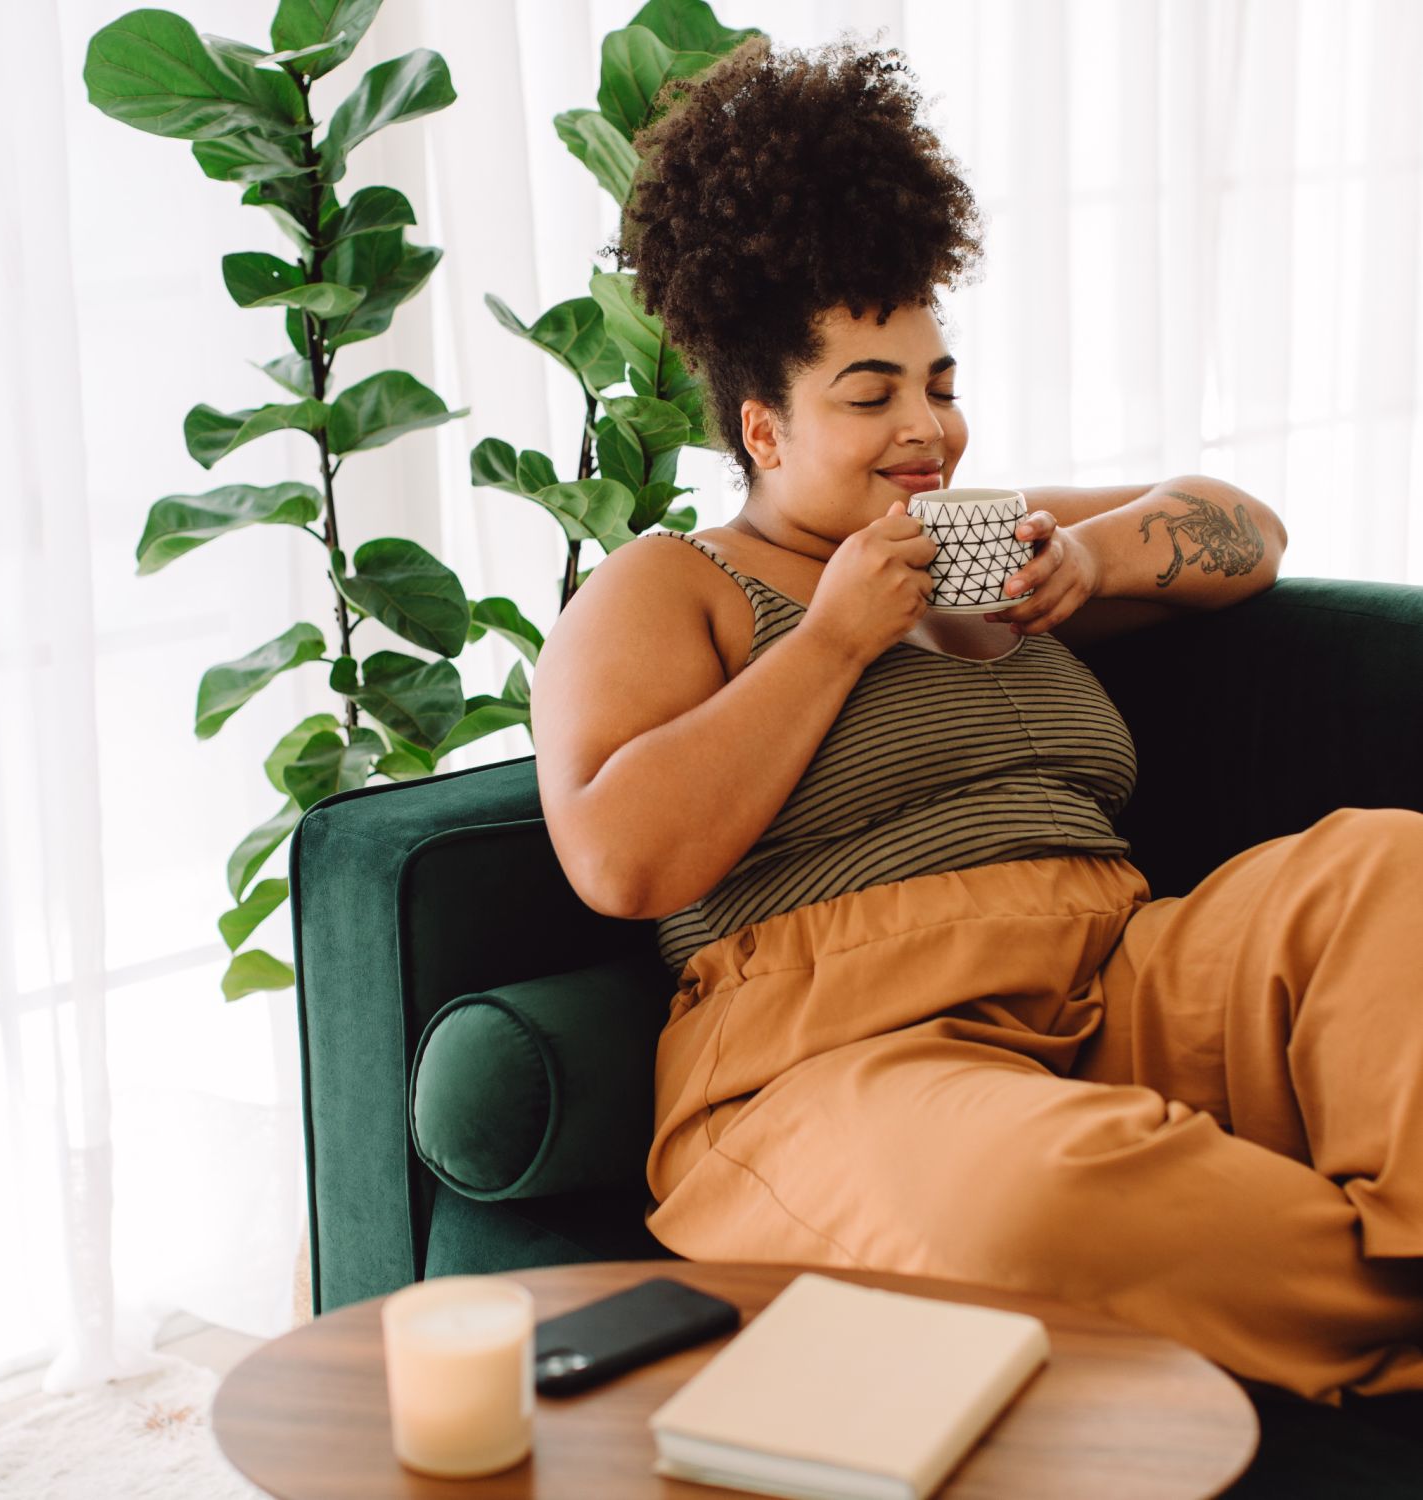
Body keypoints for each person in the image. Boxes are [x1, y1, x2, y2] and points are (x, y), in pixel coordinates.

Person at [529, 33, 1423, 1411]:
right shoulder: (671, 588)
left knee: (1393, 874)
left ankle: (1283, 1261)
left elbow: (1250, 533)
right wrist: (832, 639)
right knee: (1045, 1201)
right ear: (764, 430)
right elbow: (620, 860)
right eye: (870, 394)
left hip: (1120, 982)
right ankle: (1365, 1292)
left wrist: (1103, 558)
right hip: (839, 1067)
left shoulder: (979, 536)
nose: (926, 430)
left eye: (938, 384)